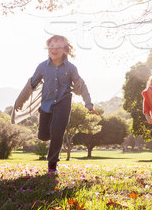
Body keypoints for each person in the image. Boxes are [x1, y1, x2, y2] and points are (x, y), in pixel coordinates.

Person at [13, 35, 97, 173]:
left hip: (63, 103)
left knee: (57, 132)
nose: (54, 49)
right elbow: (31, 84)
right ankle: (54, 133)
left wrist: (88, 103)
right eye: (51, 46)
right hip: (46, 104)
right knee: (43, 136)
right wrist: (20, 101)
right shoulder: (42, 67)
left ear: (65, 50)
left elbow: (81, 85)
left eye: (58, 46)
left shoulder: (71, 68)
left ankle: (52, 166)